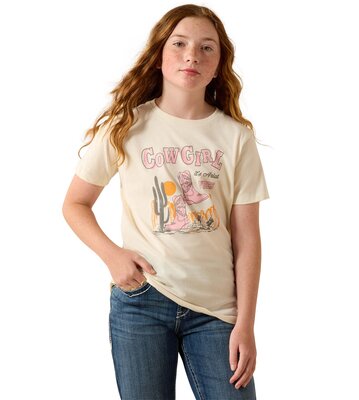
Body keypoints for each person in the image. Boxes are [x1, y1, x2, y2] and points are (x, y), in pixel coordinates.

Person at [62, 4, 269, 399]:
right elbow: (75, 204)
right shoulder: (125, 125)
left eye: (207, 48)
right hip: (142, 300)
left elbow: (247, 239)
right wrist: (112, 255)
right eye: (179, 44)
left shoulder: (236, 138)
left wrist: (246, 323)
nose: (192, 55)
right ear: (159, 55)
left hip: (216, 311)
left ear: (218, 65)